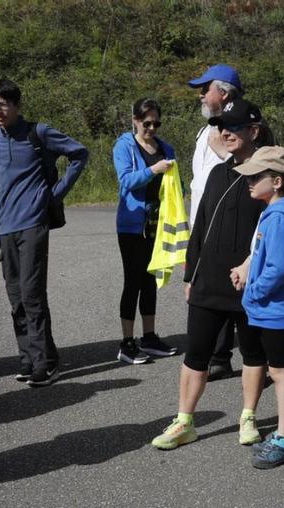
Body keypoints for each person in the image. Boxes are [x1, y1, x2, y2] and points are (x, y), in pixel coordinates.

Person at [152, 100, 269, 450]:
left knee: (253, 354)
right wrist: (190, 274)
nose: (226, 133)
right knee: (195, 353)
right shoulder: (217, 172)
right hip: (209, 279)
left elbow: (277, 227)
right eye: (222, 127)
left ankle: (248, 416)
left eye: (234, 127)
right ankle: (184, 421)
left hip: (251, 280)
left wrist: (256, 267)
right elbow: (201, 226)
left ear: (254, 131)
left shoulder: (269, 175)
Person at [0, 78, 89, 387]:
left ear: (16, 105)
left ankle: (46, 362)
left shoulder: (37, 133)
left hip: (33, 224)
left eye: (3, 104)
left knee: (31, 294)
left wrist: (55, 194)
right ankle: (28, 357)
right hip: (5, 228)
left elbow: (79, 153)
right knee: (15, 297)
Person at [228, 146, 284, 469]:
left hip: (275, 309)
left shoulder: (279, 217)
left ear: (277, 182)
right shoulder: (274, 212)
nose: (249, 181)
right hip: (269, 308)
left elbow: (277, 269)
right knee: (276, 371)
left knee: (280, 372)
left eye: (256, 176)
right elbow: (261, 257)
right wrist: (247, 274)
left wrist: (254, 292)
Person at [112, 97, 180, 364]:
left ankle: (149, 337)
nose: (151, 128)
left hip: (158, 224)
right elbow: (125, 181)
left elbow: (176, 186)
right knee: (133, 281)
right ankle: (126, 343)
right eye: (146, 123)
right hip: (132, 225)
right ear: (135, 121)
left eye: (156, 123)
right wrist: (153, 169)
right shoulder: (124, 146)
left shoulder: (166, 148)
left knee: (151, 279)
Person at [188, 64, 243, 380]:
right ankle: (217, 354)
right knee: (209, 285)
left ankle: (240, 357)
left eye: (204, 88)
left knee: (231, 288)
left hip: (227, 224)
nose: (200, 95)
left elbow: (247, 170)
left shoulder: (237, 128)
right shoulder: (206, 129)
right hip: (203, 223)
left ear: (222, 93)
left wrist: (223, 148)